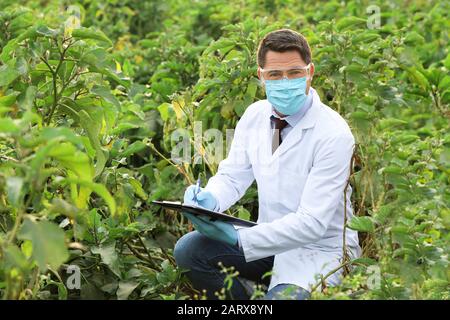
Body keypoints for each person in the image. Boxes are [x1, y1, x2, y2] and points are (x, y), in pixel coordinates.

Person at [173, 29, 361, 300]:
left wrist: (238, 239)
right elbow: (233, 176)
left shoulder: (334, 134)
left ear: (310, 72)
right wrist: (209, 200)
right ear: (261, 76)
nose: (285, 82)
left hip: (318, 251)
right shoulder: (255, 115)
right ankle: (249, 296)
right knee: (189, 252)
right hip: (269, 242)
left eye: (294, 73)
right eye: (275, 75)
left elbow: (312, 224)